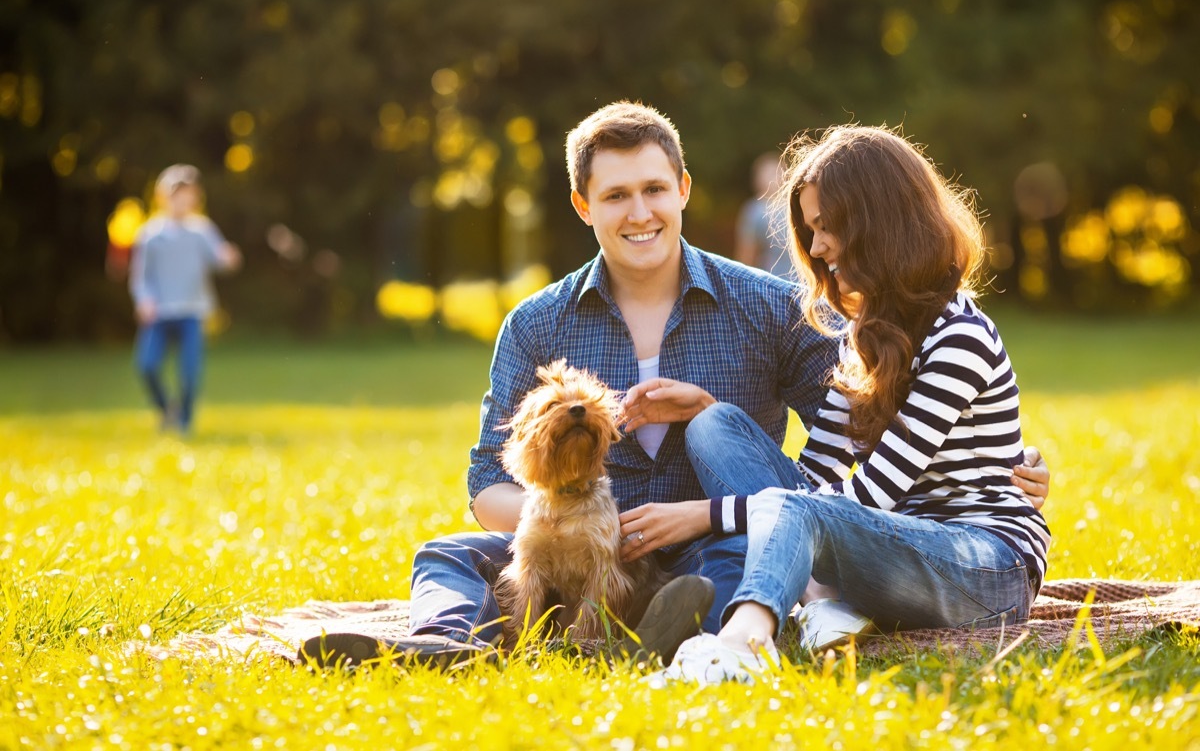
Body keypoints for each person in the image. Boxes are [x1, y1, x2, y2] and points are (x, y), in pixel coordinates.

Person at [386, 103, 1048, 665]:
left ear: (684, 189)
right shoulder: (536, 323)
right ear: (583, 205)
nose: (639, 211)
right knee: (448, 554)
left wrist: (1006, 459)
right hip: (571, 544)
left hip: (712, 540)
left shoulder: (771, 307)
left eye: (653, 188)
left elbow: (864, 453)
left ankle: (677, 637)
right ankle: (444, 645)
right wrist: (572, 524)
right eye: (616, 195)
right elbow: (484, 479)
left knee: (731, 544)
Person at [655, 125, 1052, 684]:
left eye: (825, 227)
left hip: (986, 564)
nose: (815, 248)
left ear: (879, 220)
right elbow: (816, 477)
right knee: (714, 426)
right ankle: (823, 602)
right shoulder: (864, 333)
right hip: (892, 544)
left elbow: (871, 494)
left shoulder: (960, 336)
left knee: (801, 512)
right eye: (810, 230)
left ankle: (743, 640)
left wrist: (703, 515)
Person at [128, 164, 241, 434]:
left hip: (192, 311)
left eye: (188, 194)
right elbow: (141, 277)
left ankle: (185, 422)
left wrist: (229, 258)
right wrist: (144, 300)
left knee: (189, 373)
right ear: (162, 196)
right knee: (146, 365)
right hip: (159, 313)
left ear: (196, 197)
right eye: (176, 194)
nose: (182, 200)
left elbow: (220, 259)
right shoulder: (150, 235)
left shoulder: (202, 231)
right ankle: (166, 409)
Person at [734, 152, 794, 279]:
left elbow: (746, 255)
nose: (773, 178)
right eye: (768, 173)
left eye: (775, 172)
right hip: (775, 282)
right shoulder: (754, 211)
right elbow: (747, 254)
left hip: (778, 284)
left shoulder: (797, 206)